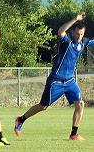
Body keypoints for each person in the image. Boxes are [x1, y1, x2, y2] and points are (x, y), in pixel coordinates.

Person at [15, 12, 94, 140]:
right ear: (72, 32)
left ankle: (74, 134)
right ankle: (21, 119)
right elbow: (61, 31)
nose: (79, 36)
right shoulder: (66, 41)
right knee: (43, 106)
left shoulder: (83, 42)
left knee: (80, 103)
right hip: (56, 80)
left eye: (81, 34)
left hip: (69, 81)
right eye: (77, 33)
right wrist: (75, 19)